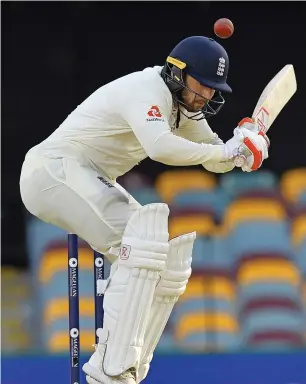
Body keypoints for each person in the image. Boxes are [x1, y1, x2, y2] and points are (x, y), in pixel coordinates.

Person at [19, 36, 269, 384]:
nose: (206, 96)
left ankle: (130, 365)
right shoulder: (146, 90)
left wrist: (241, 148)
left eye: (214, 90)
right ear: (177, 72)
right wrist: (226, 153)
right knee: (139, 242)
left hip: (87, 176)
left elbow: (216, 159)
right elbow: (161, 147)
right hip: (53, 170)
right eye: (203, 86)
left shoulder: (185, 108)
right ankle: (107, 365)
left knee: (165, 259)